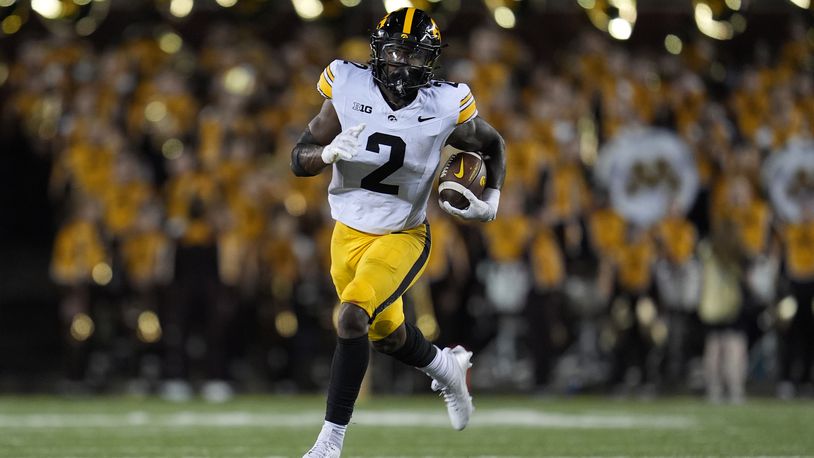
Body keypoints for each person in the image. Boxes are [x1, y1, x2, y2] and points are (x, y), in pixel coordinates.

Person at [290, 8, 506, 457]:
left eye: (415, 55)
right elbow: (298, 157)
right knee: (385, 335)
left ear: (431, 62)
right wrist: (327, 152)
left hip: (402, 235)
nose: (403, 63)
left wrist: (492, 204)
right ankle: (446, 367)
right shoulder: (347, 85)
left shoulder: (445, 104)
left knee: (351, 316)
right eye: (395, 51)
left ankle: (330, 442)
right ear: (377, 52)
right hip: (346, 233)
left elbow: (493, 144)